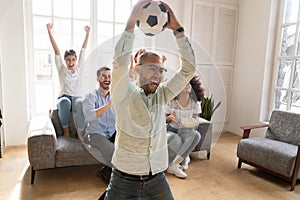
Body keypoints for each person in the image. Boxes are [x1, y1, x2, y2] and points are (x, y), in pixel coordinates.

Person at [103, 0, 196, 199]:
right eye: (151, 68)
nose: (158, 74)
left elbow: (189, 69)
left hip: (156, 179)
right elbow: (119, 62)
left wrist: (178, 31)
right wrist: (130, 23)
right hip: (123, 180)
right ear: (137, 70)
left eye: (160, 70)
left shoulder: (162, 95)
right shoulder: (122, 93)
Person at [46, 23, 90, 137]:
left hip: (77, 97)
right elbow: (56, 50)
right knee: (64, 102)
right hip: (64, 96)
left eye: (73, 60)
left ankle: (80, 133)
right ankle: (66, 131)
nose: (71, 62)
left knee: (80, 103)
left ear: (76, 60)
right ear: (65, 61)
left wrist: (87, 33)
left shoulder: (79, 68)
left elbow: (83, 50)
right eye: (68, 60)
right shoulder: (61, 69)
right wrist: (49, 32)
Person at [166, 75, 204, 178]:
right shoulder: (172, 102)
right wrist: (169, 118)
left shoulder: (195, 103)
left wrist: (192, 124)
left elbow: (195, 120)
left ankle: (175, 164)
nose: (187, 84)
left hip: (186, 131)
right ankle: (182, 159)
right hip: (171, 130)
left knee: (196, 135)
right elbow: (164, 120)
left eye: (188, 83)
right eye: (184, 83)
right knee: (176, 139)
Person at [82, 66, 116, 183]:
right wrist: (109, 105)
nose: (107, 79)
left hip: (112, 132)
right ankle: (115, 183)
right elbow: (89, 116)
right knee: (110, 149)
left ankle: (107, 172)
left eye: (109, 76)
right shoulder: (91, 96)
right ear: (98, 79)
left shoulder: (115, 95)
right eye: (103, 76)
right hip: (95, 133)